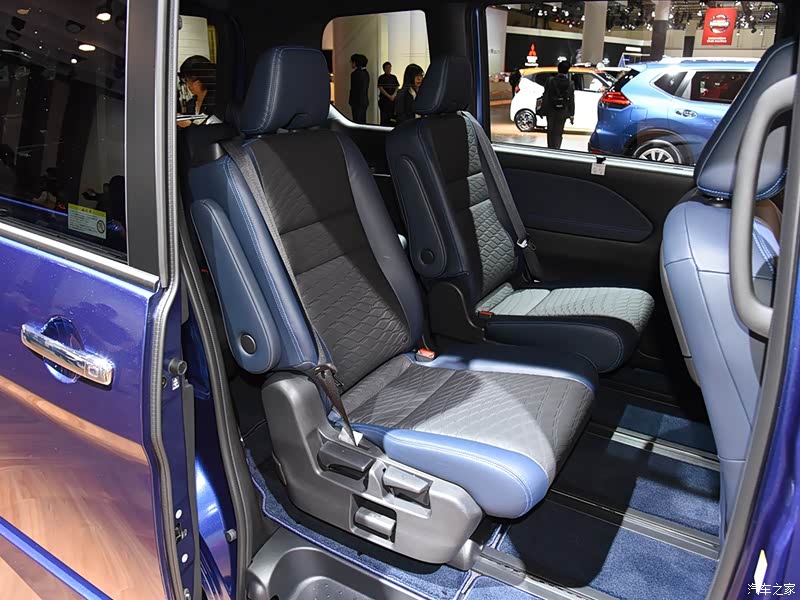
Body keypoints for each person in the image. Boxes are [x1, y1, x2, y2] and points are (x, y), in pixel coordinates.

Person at [540, 61, 575, 150]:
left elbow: (545, 95)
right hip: (563, 110)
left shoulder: (550, 80)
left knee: (550, 130)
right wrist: (571, 114)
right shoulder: (570, 83)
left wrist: (542, 109)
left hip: (551, 109)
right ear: (567, 71)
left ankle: (550, 148)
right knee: (558, 131)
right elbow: (571, 100)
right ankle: (557, 148)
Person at [178, 55, 219, 126]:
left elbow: (215, 129)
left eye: (192, 79)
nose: (189, 85)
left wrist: (189, 125)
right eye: (186, 80)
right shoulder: (190, 104)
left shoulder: (217, 102)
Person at [348, 53, 370, 124]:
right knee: (362, 121)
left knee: (357, 121)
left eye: (352, 62)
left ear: (355, 62)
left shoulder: (355, 74)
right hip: (364, 101)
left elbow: (354, 90)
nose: (351, 64)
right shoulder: (366, 73)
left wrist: (351, 101)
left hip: (357, 102)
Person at [377, 61, 400, 126]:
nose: (388, 69)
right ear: (384, 69)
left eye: (389, 67)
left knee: (392, 118)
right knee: (384, 118)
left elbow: (397, 87)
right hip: (384, 101)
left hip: (392, 102)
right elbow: (381, 88)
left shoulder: (393, 77)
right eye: (387, 68)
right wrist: (389, 96)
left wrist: (394, 95)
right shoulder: (381, 77)